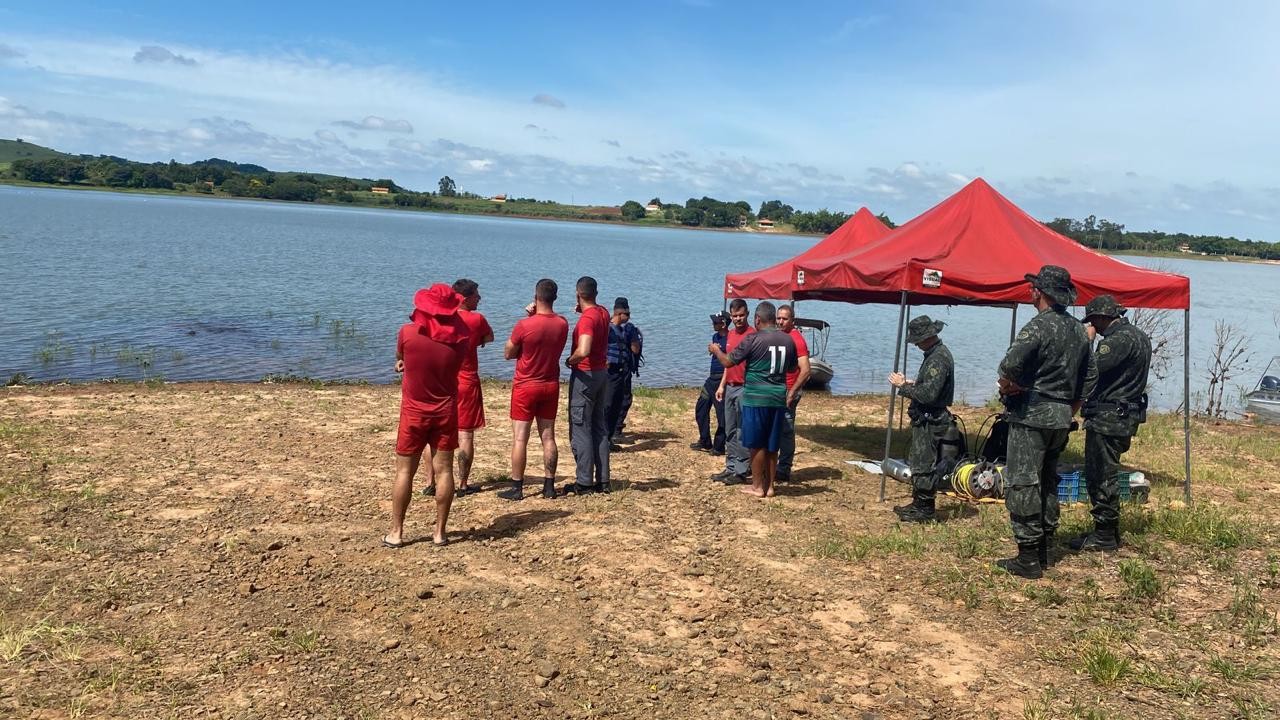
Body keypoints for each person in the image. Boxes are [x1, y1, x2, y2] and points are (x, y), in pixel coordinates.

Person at [995, 265, 1096, 578]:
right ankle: (1044, 547)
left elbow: (1008, 364)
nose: (1030, 292)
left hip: (1032, 416)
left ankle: (1028, 557)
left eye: (1033, 288)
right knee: (1048, 480)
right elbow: (1090, 377)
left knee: (1023, 480)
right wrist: (1071, 408)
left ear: (1040, 293)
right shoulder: (1079, 331)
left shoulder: (1038, 327)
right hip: (1060, 418)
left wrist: (1016, 385)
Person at [385, 284, 470, 548]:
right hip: (445, 410)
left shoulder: (408, 332)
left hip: (414, 412)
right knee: (444, 471)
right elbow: (451, 366)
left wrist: (404, 364)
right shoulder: (461, 339)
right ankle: (439, 532)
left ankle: (397, 532)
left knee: (404, 472)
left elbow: (402, 356)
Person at [1068, 295, 1151, 552]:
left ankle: (1104, 533)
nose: (1094, 326)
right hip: (1123, 414)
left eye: (1094, 321)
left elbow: (1090, 368)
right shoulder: (1138, 336)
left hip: (1109, 417)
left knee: (1100, 474)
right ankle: (1108, 531)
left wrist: (1089, 341)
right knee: (1106, 471)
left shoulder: (1118, 341)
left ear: (1104, 317)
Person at [710, 301, 797, 498]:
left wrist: (716, 350)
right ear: (774, 319)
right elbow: (792, 368)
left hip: (756, 397)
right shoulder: (788, 340)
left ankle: (758, 486)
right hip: (777, 396)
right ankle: (771, 486)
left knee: (756, 443)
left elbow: (728, 361)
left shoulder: (753, 339)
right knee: (772, 444)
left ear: (757, 319)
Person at [498, 279, 570, 501]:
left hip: (526, 385)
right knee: (548, 436)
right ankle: (549, 486)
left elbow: (508, 353)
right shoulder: (563, 323)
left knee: (520, 438)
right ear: (555, 297)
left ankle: (517, 487)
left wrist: (530, 317)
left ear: (535, 297)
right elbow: (545, 335)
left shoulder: (524, 325)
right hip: (550, 384)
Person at [888, 315, 961, 524]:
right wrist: (915, 382)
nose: (916, 344)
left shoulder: (937, 358)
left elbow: (929, 395)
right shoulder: (936, 354)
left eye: (917, 340)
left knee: (923, 463)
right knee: (920, 461)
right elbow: (931, 386)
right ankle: (919, 502)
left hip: (931, 418)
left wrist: (904, 386)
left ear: (926, 338)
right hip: (928, 416)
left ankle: (926, 508)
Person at [563, 276, 611, 495]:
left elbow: (584, 349)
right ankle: (603, 480)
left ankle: (584, 481)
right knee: (599, 427)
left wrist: (569, 360)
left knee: (581, 427)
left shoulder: (587, 319)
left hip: (586, 374)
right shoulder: (602, 312)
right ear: (596, 294)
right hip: (602, 373)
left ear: (578, 294)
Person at [451, 278, 493, 496]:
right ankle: (462, 484)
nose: (480, 298)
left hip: (444, 380)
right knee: (465, 435)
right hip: (466, 380)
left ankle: (431, 481)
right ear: (466, 298)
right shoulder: (476, 319)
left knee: (437, 434)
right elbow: (489, 336)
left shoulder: (445, 317)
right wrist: (476, 341)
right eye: (477, 295)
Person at [711, 299, 755, 485]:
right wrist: (722, 385)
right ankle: (730, 467)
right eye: (735, 316)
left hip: (745, 387)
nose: (738, 319)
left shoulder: (753, 335)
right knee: (729, 428)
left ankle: (741, 470)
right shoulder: (729, 335)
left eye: (741, 315)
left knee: (742, 430)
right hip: (730, 386)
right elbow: (728, 363)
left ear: (747, 314)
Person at [775, 304, 811, 483]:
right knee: (775, 429)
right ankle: (774, 465)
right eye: (778, 318)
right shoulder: (779, 336)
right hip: (776, 390)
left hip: (789, 390)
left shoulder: (797, 340)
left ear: (792, 321)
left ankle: (784, 469)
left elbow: (806, 370)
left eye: (784, 319)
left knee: (786, 430)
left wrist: (792, 392)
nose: (781, 322)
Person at [605, 297, 643, 448]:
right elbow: (635, 349)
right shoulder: (624, 329)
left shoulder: (608, 326)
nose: (629, 317)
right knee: (615, 402)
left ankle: (611, 434)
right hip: (614, 370)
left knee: (615, 402)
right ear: (620, 313)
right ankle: (613, 432)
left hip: (617, 369)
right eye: (627, 314)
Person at [692, 312, 729, 455]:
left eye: (716, 323)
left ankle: (719, 446)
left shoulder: (730, 339)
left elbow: (728, 361)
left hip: (722, 379)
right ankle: (705, 440)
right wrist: (712, 350)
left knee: (722, 415)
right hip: (711, 378)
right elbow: (715, 353)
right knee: (701, 407)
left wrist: (723, 384)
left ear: (723, 324)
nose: (713, 325)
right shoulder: (715, 336)